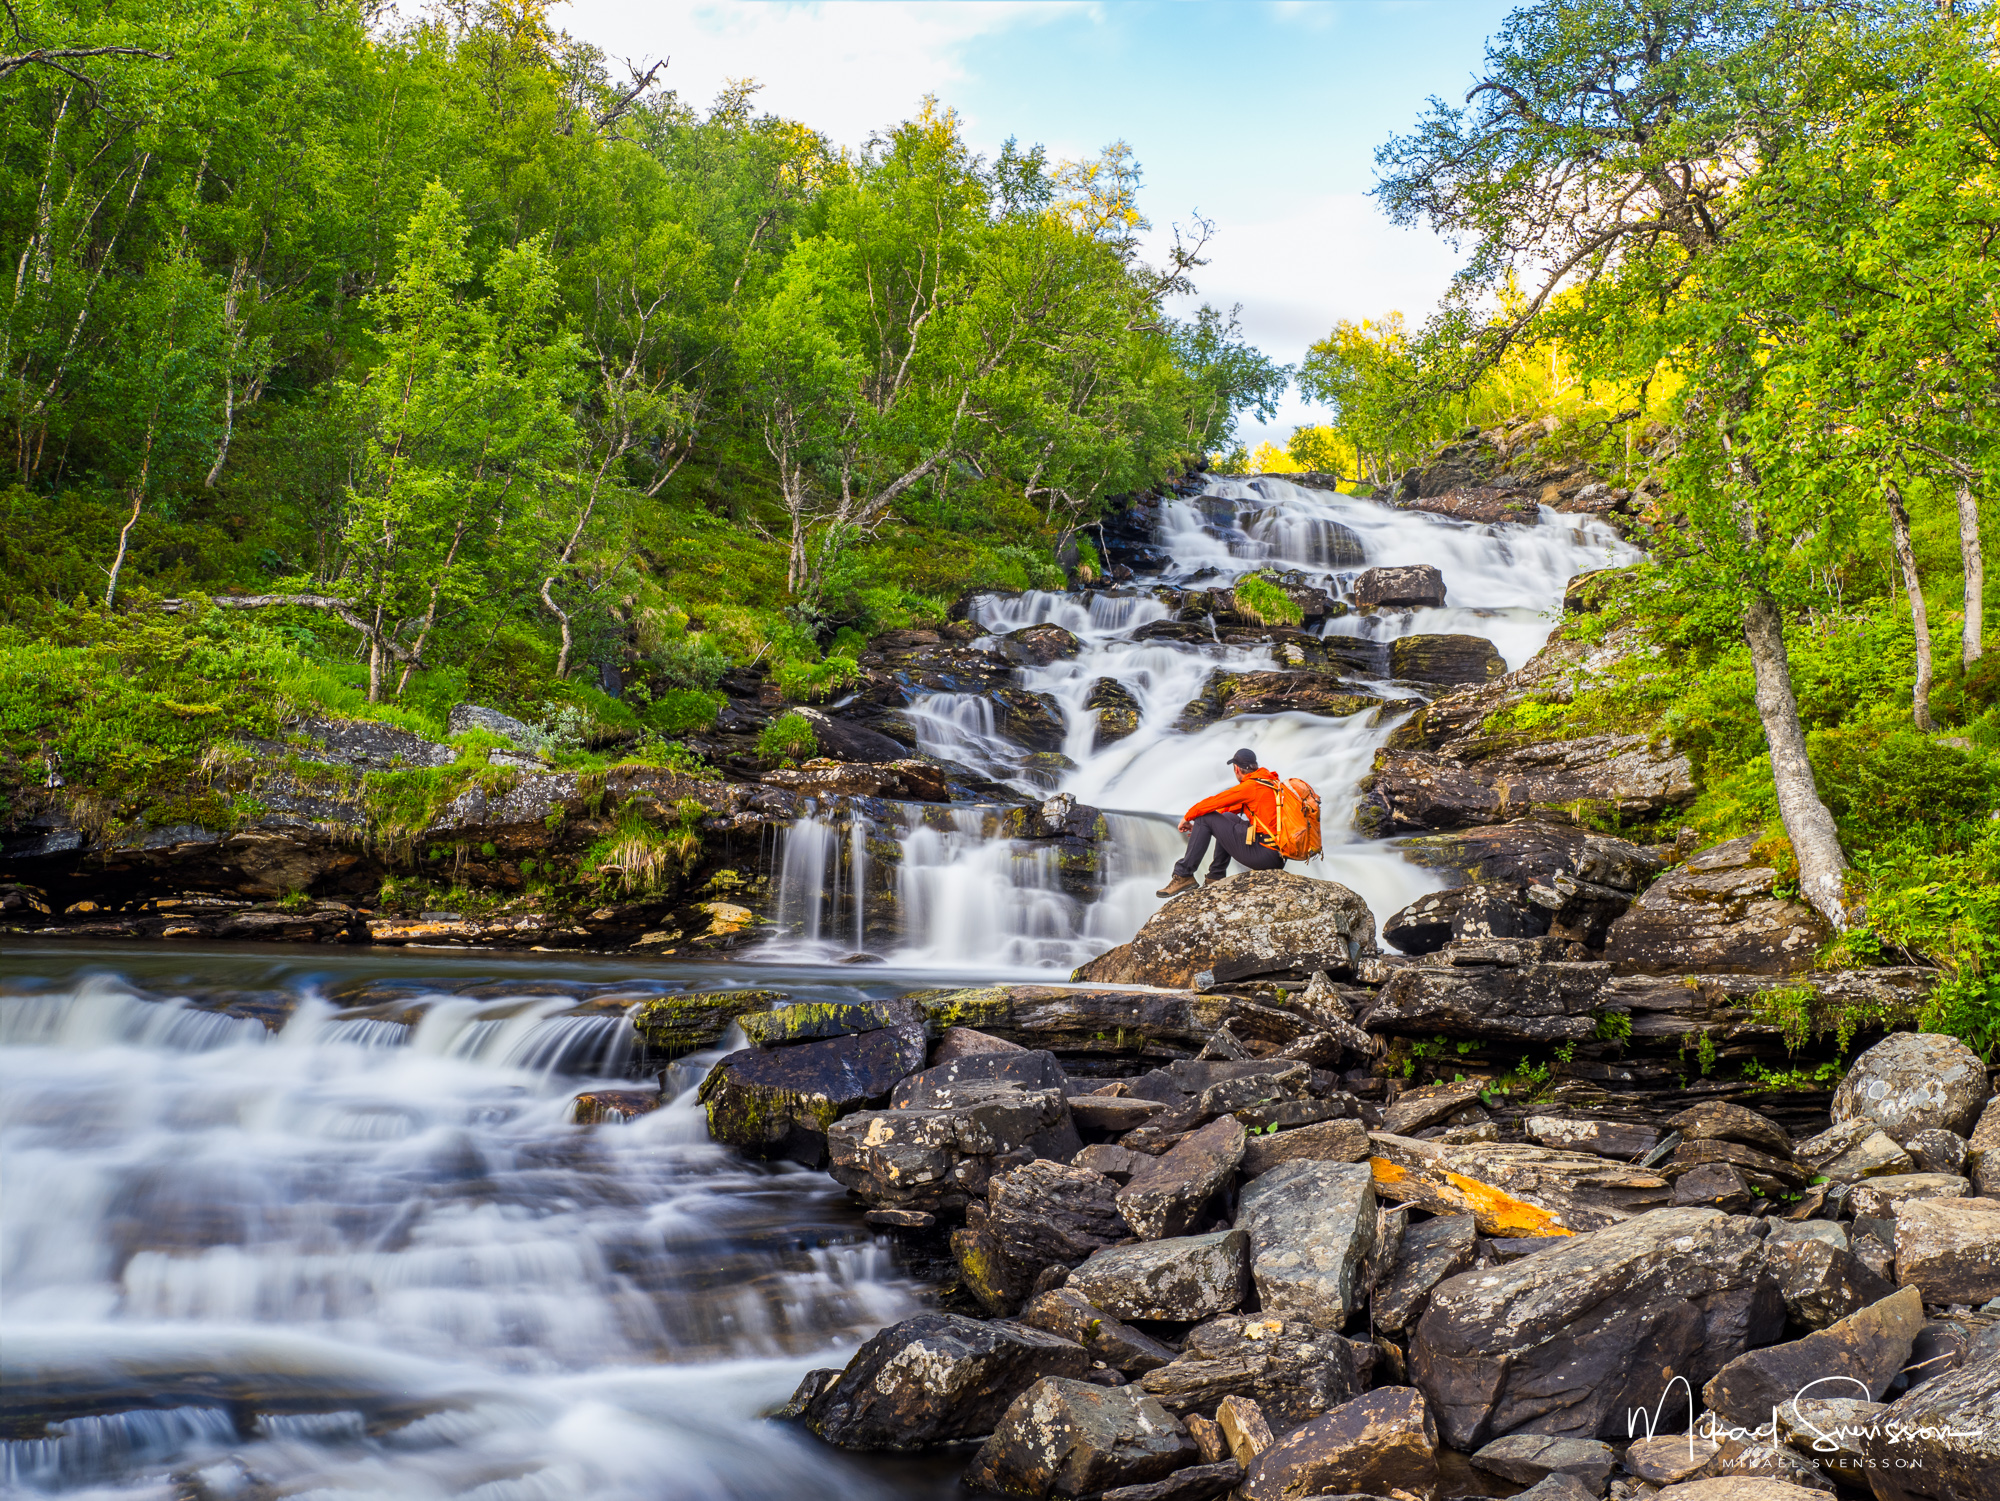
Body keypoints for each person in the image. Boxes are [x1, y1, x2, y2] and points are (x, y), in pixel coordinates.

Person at [1155, 747, 1287, 897]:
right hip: (1276, 855)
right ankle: (1215, 877)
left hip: (1264, 856)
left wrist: (1188, 817)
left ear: (1236, 769)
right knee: (1227, 817)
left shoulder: (1250, 787)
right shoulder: (1269, 782)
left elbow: (1215, 802)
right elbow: (1228, 809)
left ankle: (1184, 876)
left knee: (1204, 816)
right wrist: (1201, 828)